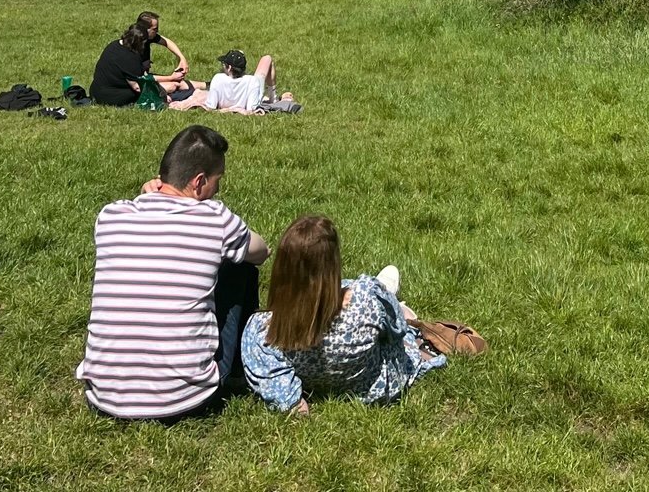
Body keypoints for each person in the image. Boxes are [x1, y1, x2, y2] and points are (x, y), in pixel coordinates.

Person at [76, 125, 270, 420]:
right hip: (187, 397)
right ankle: (244, 370)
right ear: (199, 181)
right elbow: (261, 251)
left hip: (103, 396)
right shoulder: (215, 218)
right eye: (218, 181)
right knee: (240, 265)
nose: (217, 190)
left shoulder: (110, 216)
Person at [241, 215, 445, 415]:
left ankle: (389, 294)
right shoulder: (366, 301)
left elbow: (279, 389)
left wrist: (297, 402)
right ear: (333, 264)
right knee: (392, 309)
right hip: (375, 387)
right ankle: (394, 298)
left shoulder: (262, 331)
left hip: (316, 383)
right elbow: (397, 330)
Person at [90, 22, 206, 109]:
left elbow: (141, 77)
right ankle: (206, 88)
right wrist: (161, 95)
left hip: (96, 91)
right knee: (171, 87)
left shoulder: (114, 45)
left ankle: (207, 85)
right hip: (111, 97)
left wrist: (170, 77)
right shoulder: (129, 57)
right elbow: (137, 86)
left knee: (172, 84)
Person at [135, 10, 204, 97]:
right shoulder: (134, 46)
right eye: (155, 29)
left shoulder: (148, 37)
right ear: (144, 29)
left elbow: (167, 42)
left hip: (146, 78)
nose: (157, 31)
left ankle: (208, 85)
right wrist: (171, 78)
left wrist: (182, 58)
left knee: (178, 82)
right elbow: (141, 78)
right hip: (137, 84)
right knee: (174, 85)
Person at [205, 50, 295, 114]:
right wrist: (239, 110)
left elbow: (210, 108)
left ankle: (271, 99)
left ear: (229, 68)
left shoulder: (218, 78)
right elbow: (251, 109)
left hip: (232, 97)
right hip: (249, 88)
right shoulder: (252, 81)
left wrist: (226, 110)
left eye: (224, 65)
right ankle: (273, 98)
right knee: (267, 58)